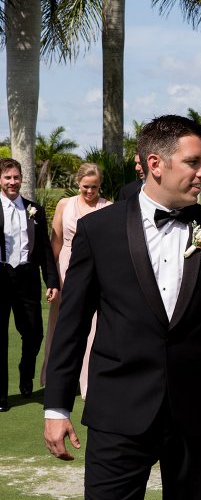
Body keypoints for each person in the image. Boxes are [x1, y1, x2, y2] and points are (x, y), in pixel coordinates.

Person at [43, 115, 201, 500]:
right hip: (117, 414)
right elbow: (72, 325)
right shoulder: (99, 230)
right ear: (156, 164)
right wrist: (57, 407)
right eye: (194, 162)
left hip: (197, 415)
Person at [40, 163, 112, 399]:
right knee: (62, 325)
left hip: (98, 270)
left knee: (92, 326)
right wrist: (52, 280)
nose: (90, 192)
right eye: (85, 187)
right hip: (66, 270)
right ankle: (59, 380)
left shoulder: (108, 207)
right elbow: (55, 244)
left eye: (95, 187)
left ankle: (89, 381)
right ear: (77, 183)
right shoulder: (65, 205)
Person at [0, 158, 59, 413]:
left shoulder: (34, 209)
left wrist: (52, 281)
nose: (13, 182)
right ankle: (1, 395)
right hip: (0, 278)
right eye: (7, 178)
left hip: (27, 279)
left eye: (16, 177)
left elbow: (45, 248)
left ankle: (26, 373)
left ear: (22, 178)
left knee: (34, 334)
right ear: (0, 180)